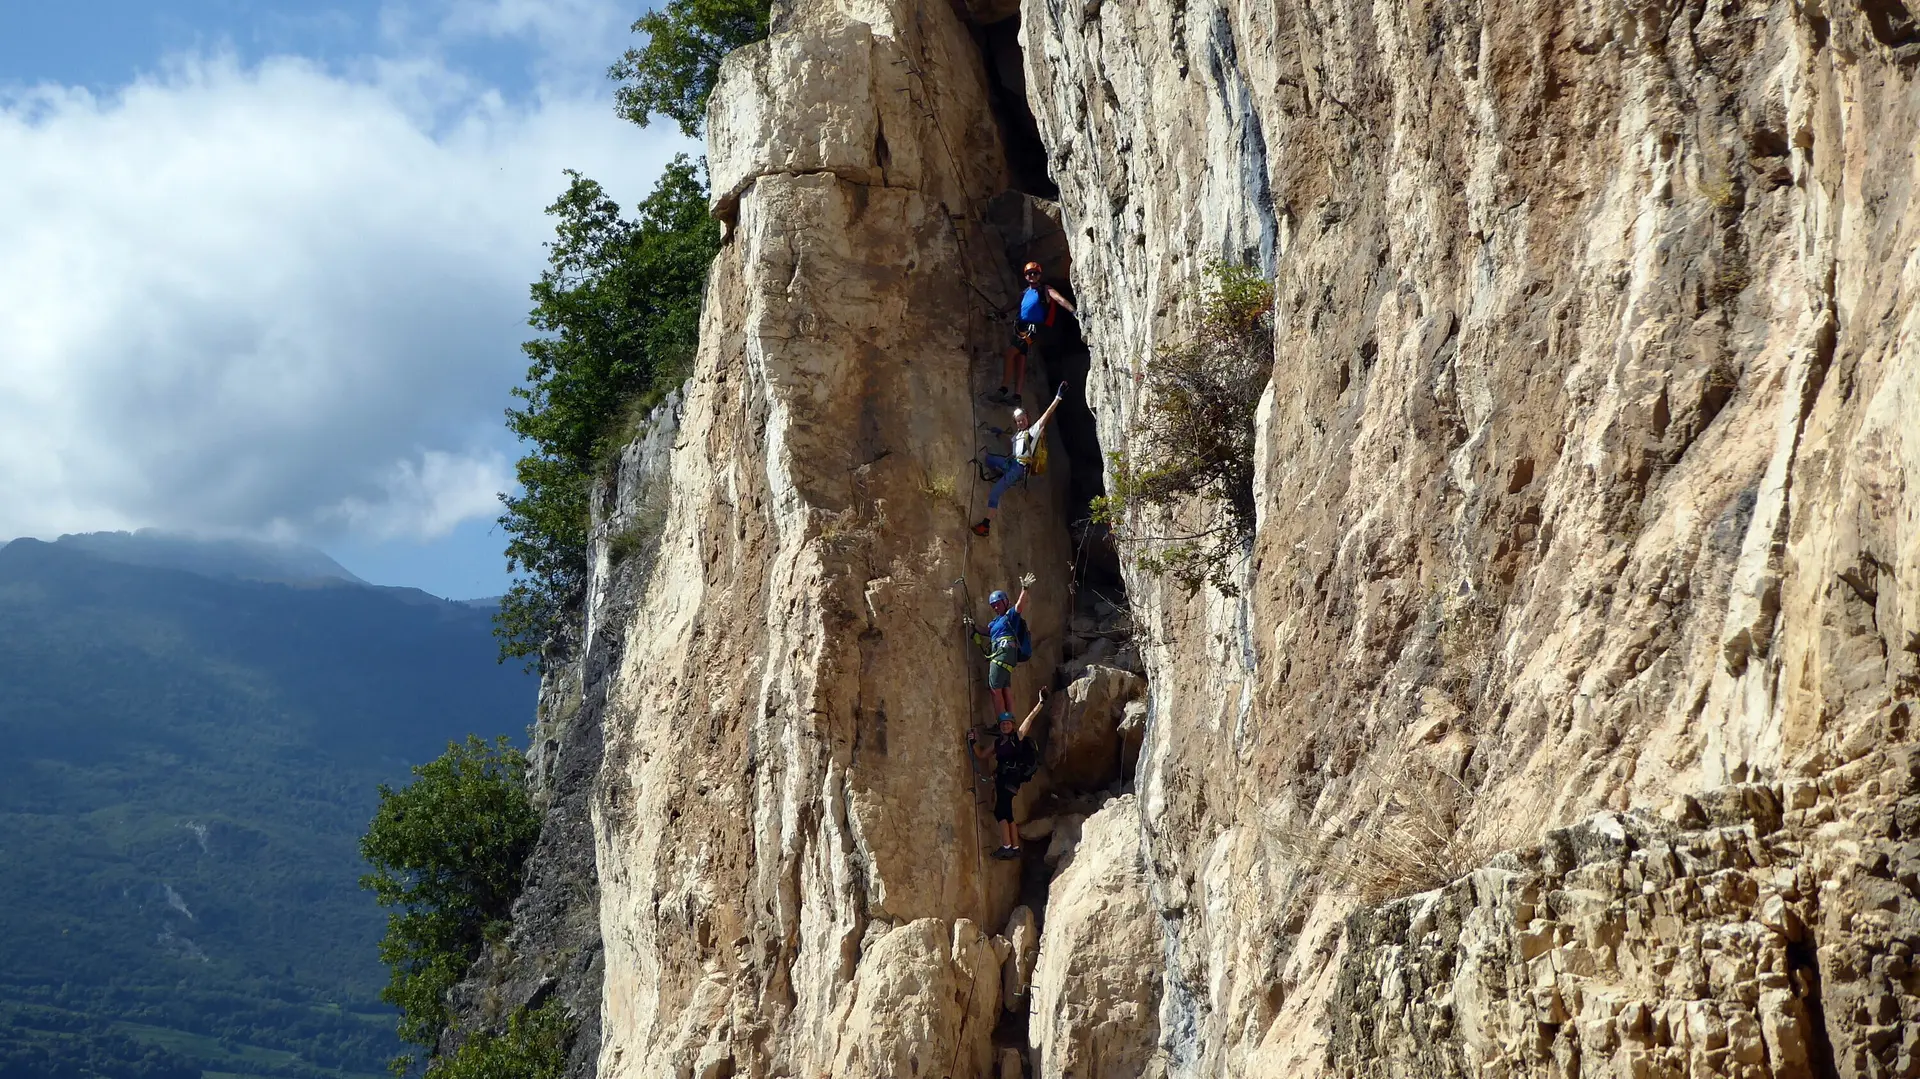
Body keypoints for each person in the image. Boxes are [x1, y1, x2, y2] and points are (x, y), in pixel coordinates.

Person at [971, 383, 1066, 538]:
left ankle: (985, 526)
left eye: (1022, 420)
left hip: (1018, 469)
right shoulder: (1018, 434)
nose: (1021, 422)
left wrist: (1058, 397)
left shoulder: (1032, 432)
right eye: (1018, 421)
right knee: (989, 459)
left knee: (995, 493)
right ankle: (1000, 473)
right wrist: (1001, 433)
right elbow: (1015, 443)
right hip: (1011, 463)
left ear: (1027, 418)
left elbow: (1046, 415)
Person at [969, 687, 1047, 858]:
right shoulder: (998, 743)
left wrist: (1040, 703)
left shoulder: (1016, 738)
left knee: (1000, 812)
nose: (1005, 726)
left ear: (1012, 725)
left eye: (1008, 724)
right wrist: (972, 743)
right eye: (1003, 724)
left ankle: (1006, 846)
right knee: (1008, 813)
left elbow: (1029, 719)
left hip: (1009, 780)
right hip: (1006, 781)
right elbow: (982, 755)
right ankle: (1015, 847)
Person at [995, 261, 1076, 405]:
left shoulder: (1045, 289)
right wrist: (1000, 312)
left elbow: (1059, 299)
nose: (1032, 275)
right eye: (1029, 273)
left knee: (1010, 353)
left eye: (1035, 273)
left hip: (1033, 330)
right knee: (1021, 359)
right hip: (1021, 328)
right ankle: (1017, 396)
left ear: (1039, 275)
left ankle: (1003, 389)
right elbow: (1013, 304)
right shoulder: (1024, 293)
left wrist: (1073, 311)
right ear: (1025, 276)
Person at [963, 575, 1035, 723]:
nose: (996, 607)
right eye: (993, 606)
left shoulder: (1010, 616)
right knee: (1005, 689)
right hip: (1006, 656)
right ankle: (1010, 721)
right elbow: (987, 631)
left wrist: (1025, 589)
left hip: (1002, 653)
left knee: (995, 690)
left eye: (998, 604)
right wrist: (973, 625)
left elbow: (1019, 606)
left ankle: (1002, 723)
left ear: (1005, 602)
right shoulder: (996, 621)